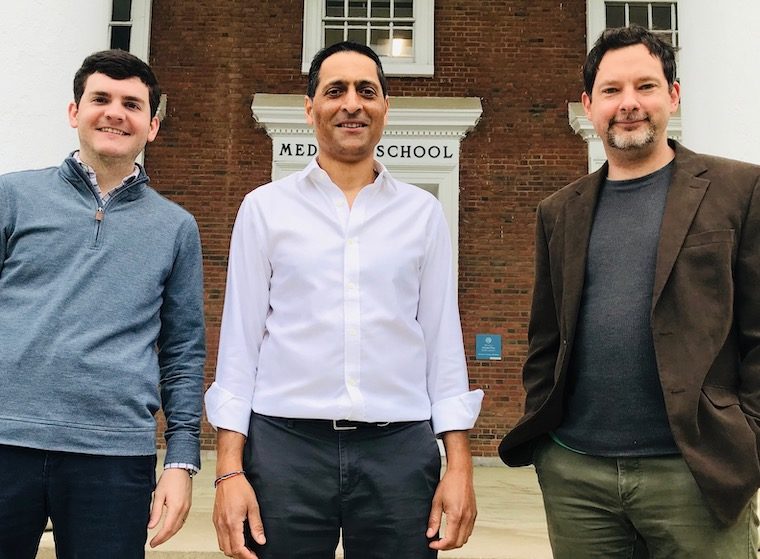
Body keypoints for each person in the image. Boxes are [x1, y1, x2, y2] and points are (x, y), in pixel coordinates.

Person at [206, 41, 483, 559]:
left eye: (367, 91)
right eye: (336, 91)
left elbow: (443, 344)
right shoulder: (264, 209)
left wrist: (459, 465)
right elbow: (239, 348)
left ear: (385, 109)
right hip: (285, 448)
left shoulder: (423, 214)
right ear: (309, 109)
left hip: (398, 450)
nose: (352, 104)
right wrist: (229, 470)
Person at [499, 25, 760, 558]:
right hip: (577, 476)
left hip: (695, 473)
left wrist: (748, 440)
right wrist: (549, 449)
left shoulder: (740, 190)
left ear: (674, 95)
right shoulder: (559, 211)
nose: (629, 104)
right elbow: (545, 337)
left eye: (646, 86)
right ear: (588, 104)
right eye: (612, 91)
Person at [0, 50, 206, 558]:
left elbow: (182, 353)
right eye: (101, 98)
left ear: (151, 125)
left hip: (114, 456)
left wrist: (180, 461)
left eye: (132, 104)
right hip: (6, 440)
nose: (115, 112)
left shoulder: (176, 227)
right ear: (75, 112)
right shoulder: (13, 197)